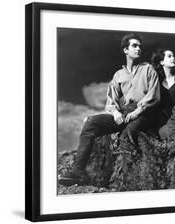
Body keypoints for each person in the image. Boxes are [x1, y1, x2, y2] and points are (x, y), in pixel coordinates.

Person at [59, 34, 160, 186]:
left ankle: (131, 183)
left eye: (139, 46)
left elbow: (154, 95)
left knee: (128, 135)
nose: (138, 48)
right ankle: (78, 171)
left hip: (145, 112)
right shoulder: (118, 75)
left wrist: (137, 111)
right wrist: (116, 112)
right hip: (125, 112)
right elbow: (111, 101)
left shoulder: (148, 69)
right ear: (125, 50)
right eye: (134, 45)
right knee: (91, 123)